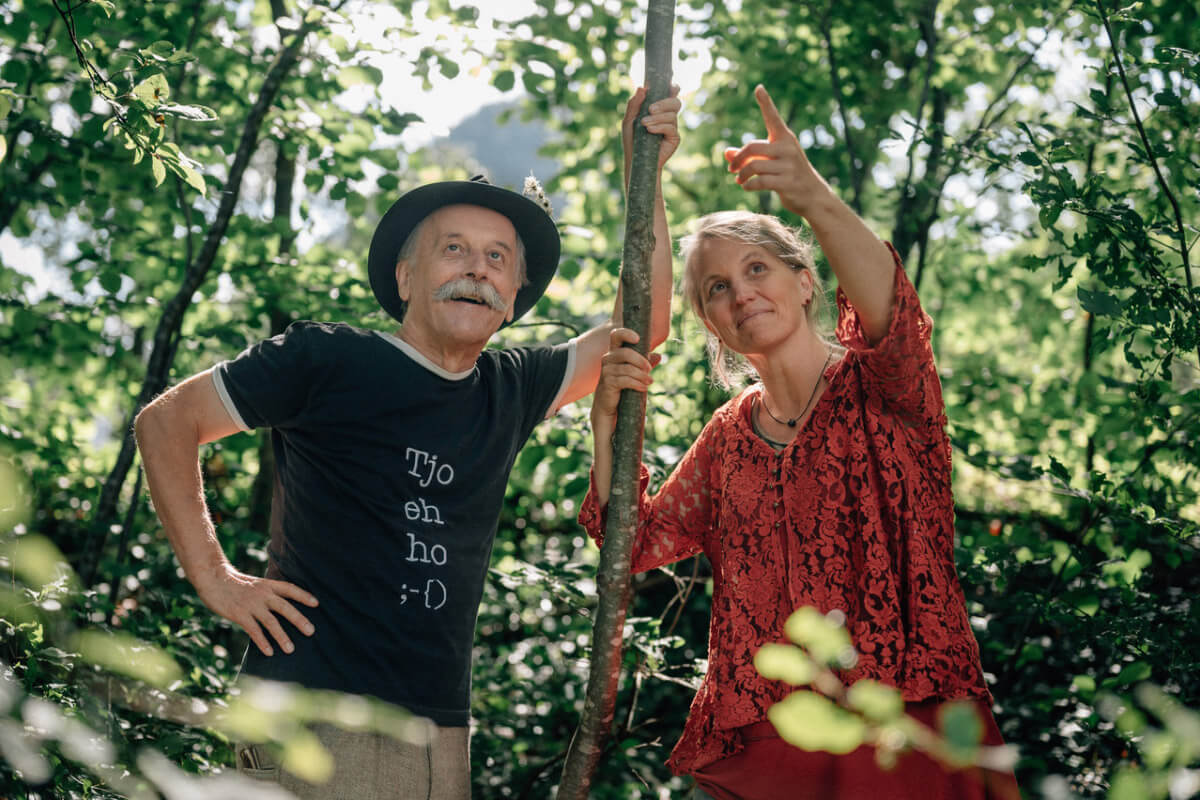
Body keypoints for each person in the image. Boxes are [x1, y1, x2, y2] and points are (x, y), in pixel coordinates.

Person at [133, 86, 680, 800]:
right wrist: (216, 578)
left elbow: (646, 323)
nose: (476, 269)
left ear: (513, 297)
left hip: (435, 726)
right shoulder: (326, 360)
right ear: (405, 275)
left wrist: (649, 176)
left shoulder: (509, 387)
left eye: (496, 259)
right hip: (300, 711)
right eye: (454, 250)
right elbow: (166, 422)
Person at [581, 85, 1021, 799]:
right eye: (717, 288)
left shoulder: (885, 389)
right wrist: (604, 423)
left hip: (908, 735)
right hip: (763, 750)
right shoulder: (727, 439)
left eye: (758, 268)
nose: (741, 292)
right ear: (711, 323)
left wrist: (810, 192)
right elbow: (629, 544)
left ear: (805, 278)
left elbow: (893, 311)